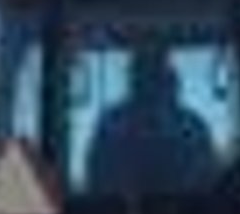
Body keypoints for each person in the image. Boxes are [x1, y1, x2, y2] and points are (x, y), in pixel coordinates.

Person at [86, 46, 219, 195]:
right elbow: (97, 181)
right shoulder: (112, 125)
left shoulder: (192, 127)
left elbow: (209, 180)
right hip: (123, 213)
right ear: (134, 79)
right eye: (146, 74)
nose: (151, 83)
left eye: (157, 74)